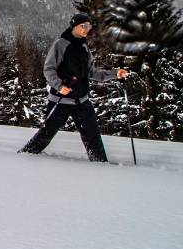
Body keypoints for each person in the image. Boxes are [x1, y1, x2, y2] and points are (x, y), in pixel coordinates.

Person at [20, 13, 128, 162]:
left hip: (82, 100)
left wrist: (116, 73)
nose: (86, 29)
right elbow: (49, 69)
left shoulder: (84, 46)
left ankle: (101, 166)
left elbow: (93, 72)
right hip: (61, 100)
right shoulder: (61, 44)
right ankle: (23, 158)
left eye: (89, 26)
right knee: (46, 134)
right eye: (83, 26)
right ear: (74, 26)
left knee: (92, 135)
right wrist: (59, 86)